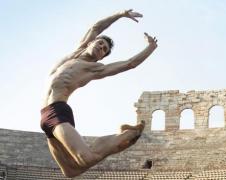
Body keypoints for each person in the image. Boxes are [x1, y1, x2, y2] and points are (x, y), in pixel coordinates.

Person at [40, 9, 157, 177]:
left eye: (104, 50)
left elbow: (130, 63)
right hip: (44, 118)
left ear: (101, 58)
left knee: (86, 158)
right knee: (71, 171)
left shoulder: (95, 69)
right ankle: (124, 135)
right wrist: (120, 14)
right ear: (90, 43)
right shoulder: (75, 53)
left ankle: (129, 133)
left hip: (58, 111)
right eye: (100, 43)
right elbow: (96, 27)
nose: (101, 47)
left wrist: (151, 48)